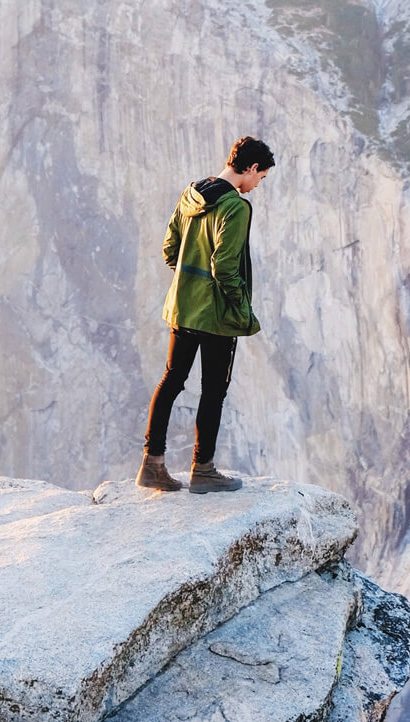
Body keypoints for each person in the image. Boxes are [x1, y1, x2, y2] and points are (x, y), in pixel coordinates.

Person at [137, 136, 275, 493]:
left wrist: (188, 278)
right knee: (213, 390)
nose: (257, 186)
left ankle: (152, 464)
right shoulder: (236, 208)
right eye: (261, 178)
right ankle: (204, 470)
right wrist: (242, 311)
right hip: (216, 316)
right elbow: (226, 267)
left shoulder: (192, 194)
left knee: (171, 380)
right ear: (252, 168)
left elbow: (170, 249)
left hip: (182, 308)